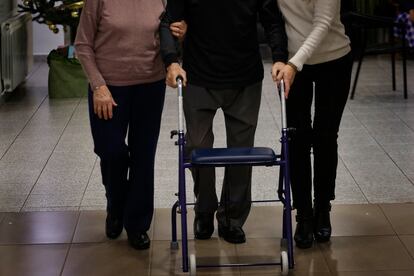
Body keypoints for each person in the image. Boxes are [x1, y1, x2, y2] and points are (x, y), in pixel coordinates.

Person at [159, 0, 288, 244]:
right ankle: (205, 209)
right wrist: (171, 60)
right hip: (198, 75)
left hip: (245, 77)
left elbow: (273, 20)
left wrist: (279, 56)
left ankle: (232, 218)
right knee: (197, 146)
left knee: (241, 152)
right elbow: (168, 22)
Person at [75, 0, 186, 250]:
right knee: (111, 151)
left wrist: (181, 33)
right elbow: (82, 44)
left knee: (143, 156)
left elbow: (168, 30)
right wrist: (98, 86)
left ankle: (137, 224)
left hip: (150, 85)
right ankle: (116, 206)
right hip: (109, 88)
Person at [275, 0, 353, 249]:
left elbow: (323, 22)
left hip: (333, 58)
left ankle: (323, 208)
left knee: (325, 136)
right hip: (292, 62)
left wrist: (293, 63)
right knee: (297, 138)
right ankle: (304, 215)